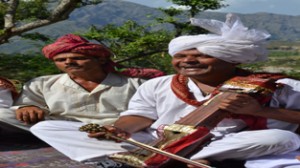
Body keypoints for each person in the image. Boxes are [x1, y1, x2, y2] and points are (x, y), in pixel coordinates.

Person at [30, 14, 300, 168]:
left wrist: (260, 110)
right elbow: (139, 116)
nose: (187, 61)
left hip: (221, 144)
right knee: (46, 128)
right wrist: (120, 129)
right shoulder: (158, 84)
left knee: (282, 138)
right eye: (180, 56)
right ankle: (164, 158)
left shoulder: (280, 85)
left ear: (231, 58)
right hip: (157, 140)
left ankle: (164, 161)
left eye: (201, 56)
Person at [0, 34, 164, 133]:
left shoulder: (135, 83)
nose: (69, 62)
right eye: (61, 60)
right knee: (3, 115)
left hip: (118, 129)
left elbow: (148, 112)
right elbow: (25, 106)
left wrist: (120, 128)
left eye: (78, 58)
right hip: (61, 128)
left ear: (100, 59)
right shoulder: (41, 83)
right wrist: (26, 108)